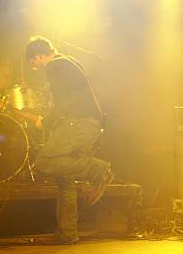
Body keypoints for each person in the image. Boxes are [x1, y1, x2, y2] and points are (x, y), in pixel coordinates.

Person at [25, 35, 113, 245]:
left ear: (38, 56)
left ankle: (97, 170)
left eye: (33, 64)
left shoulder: (54, 65)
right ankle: (67, 233)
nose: (35, 68)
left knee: (44, 162)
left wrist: (45, 122)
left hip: (80, 123)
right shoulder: (69, 60)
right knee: (65, 177)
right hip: (90, 123)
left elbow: (62, 102)